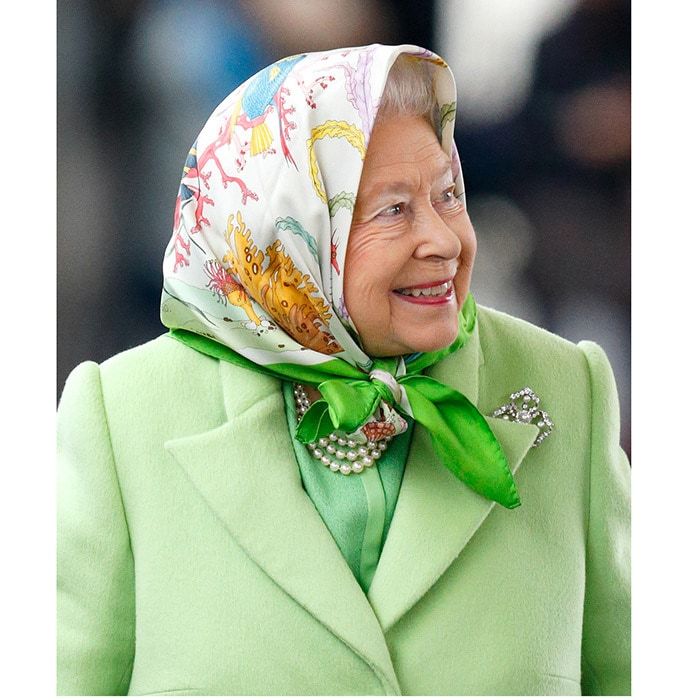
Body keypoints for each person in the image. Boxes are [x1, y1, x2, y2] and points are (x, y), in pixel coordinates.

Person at [57, 44, 630, 696]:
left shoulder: (567, 387)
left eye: (449, 194)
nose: (445, 240)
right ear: (282, 231)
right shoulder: (123, 412)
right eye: (393, 209)